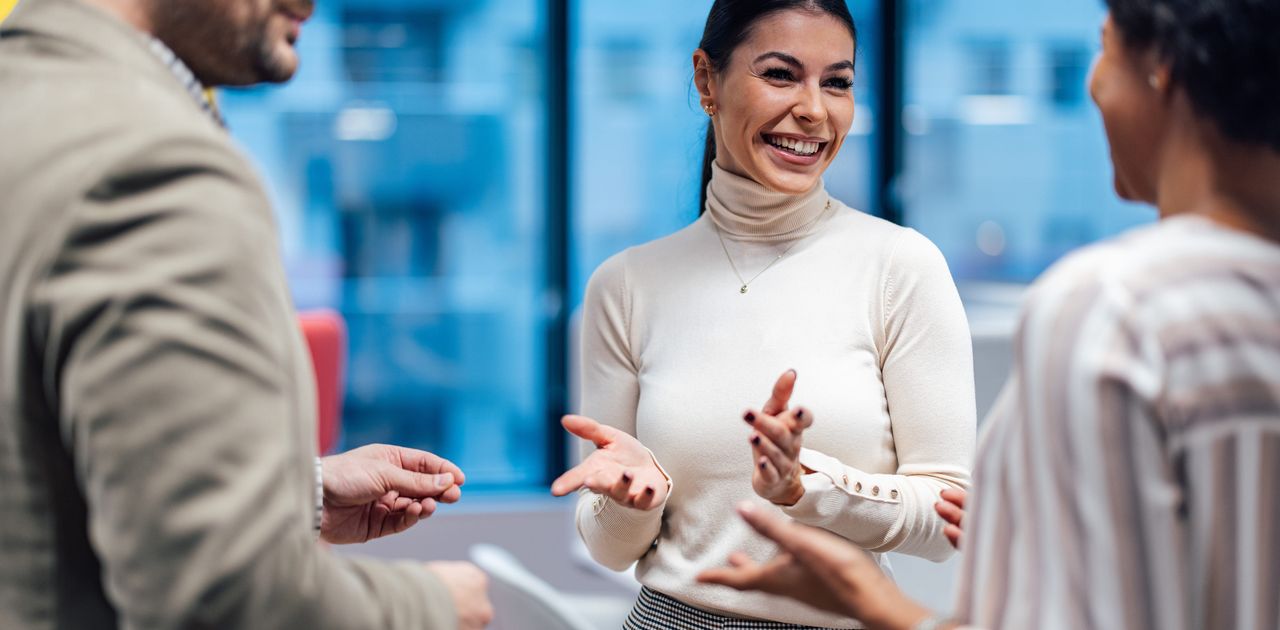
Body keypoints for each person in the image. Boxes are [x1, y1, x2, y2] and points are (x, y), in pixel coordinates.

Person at [699, 1, 1280, 629]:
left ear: (1161, 66)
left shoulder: (1117, 310)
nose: (1093, 81)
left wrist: (879, 606)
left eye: (1104, 46)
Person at [0, 0, 492, 628]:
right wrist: (431, 607)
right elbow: (225, 601)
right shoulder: (151, 164)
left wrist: (300, 493)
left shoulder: (29, 106)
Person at [550, 1, 975, 627]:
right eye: (781, 74)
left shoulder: (900, 267)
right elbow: (607, 547)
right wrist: (634, 501)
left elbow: (948, 516)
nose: (814, 109)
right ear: (706, 80)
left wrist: (807, 487)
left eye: (837, 82)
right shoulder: (625, 286)